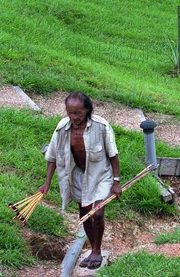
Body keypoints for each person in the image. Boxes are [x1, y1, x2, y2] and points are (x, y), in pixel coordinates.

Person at [39, 92, 122, 270]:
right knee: (85, 214)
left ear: (87, 110)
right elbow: (52, 157)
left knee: (97, 214)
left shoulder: (101, 126)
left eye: (78, 113)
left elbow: (113, 155)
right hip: (78, 176)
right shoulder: (62, 127)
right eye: (70, 112)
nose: (73, 117)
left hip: (101, 176)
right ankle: (93, 249)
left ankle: (97, 251)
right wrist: (47, 183)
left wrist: (116, 181)